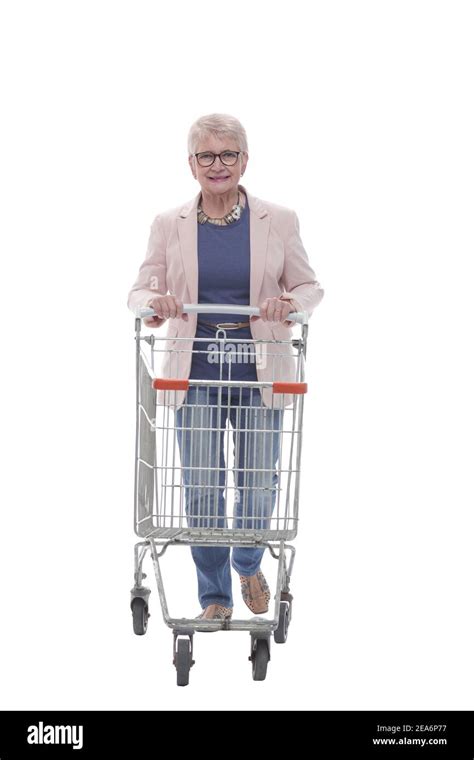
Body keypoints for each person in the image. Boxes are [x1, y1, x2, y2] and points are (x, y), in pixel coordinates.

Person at [127, 113, 324, 624]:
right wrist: (157, 304)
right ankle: (214, 595)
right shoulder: (168, 224)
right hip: (193, 371)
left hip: (260, 367)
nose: (219, 165)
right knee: (200, 484)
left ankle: (247, 563)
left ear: (245, 160)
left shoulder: (278, 220)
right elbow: (140, 290)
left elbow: (309, 286)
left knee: (259, 481)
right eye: (207, 156)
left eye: (229, 154)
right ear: (191, 164)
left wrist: (289, 302)